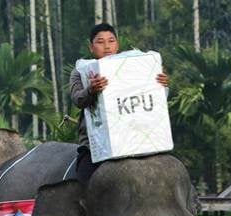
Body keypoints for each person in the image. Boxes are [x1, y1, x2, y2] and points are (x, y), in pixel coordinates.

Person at [70, 23, 168, 183]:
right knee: (84, 182)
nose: (106, 46)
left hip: (136, 139)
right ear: (91, 47)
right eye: (100, 42)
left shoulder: (132, 67)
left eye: (111, 41)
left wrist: (160, 83)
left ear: (117, 44)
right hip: (93, 146)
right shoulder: (80, 71)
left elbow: (152, 99)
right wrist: (91, 90)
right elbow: (77, 99)